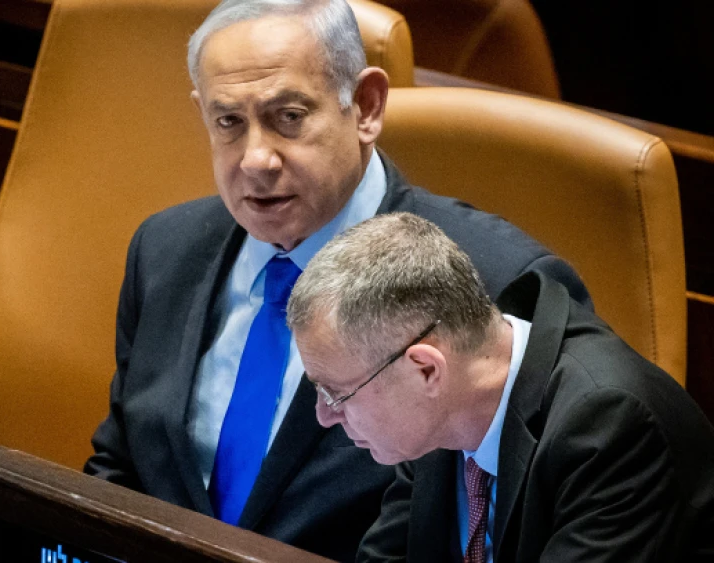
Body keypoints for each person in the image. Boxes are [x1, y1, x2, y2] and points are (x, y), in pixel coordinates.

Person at [84, 0, 590, 560]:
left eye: (289, 117)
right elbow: (121, 467)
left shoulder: (495, 286)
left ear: (366, 106)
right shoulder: (165, 250)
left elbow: (519, 526)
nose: (256, 159)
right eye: (229, 122)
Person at [287, 213, 714, 562]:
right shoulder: (441, 410)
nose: (326, 415)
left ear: (426, 370)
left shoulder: (608, 428)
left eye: (337, 393)